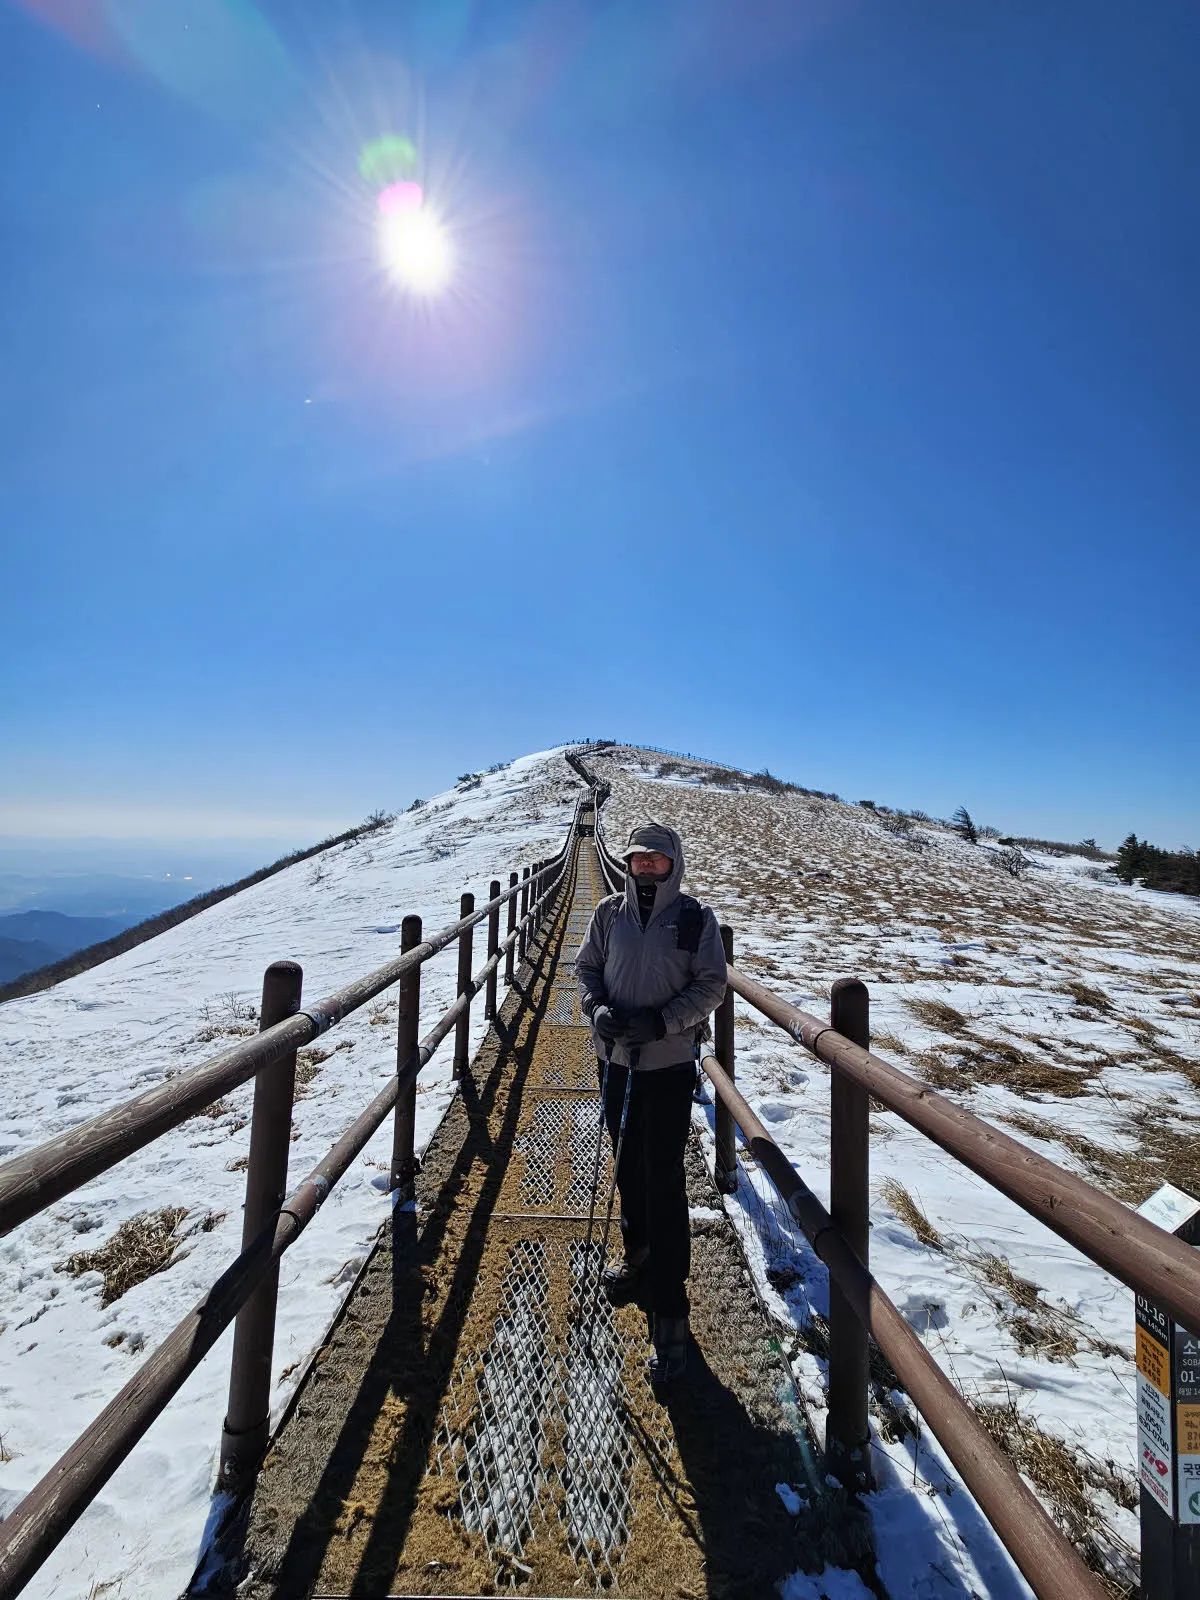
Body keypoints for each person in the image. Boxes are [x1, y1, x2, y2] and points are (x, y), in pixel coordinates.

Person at [575, 821, 728, 1383]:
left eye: (656, 860)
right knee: (626, 1164)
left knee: (662, 1178)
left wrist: (662, 1021)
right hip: (614, 1061)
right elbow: (586, 968)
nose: (645, 866)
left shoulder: (694, 918)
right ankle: (637, 1256)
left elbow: (712, 984)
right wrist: (597, 1012)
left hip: (665, 1068)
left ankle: (670, 1304)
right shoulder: (609, 914)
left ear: (673, 864)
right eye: (639, 858)